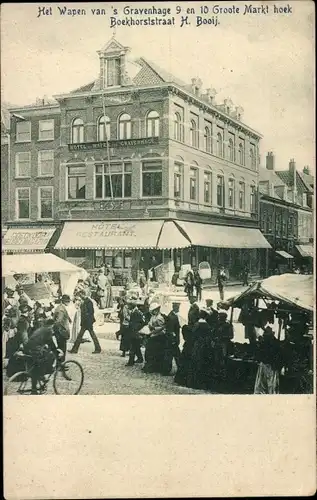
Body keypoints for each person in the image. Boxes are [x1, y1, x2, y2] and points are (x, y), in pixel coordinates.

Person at [24, 319, 63, 395]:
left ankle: (34, 390)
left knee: (35, 369)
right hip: (35, 350)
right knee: (50, 357)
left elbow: (42, 341)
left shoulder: (41, 329)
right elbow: (51, 343)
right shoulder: (48, 330)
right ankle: (43, 376)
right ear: (52, 325)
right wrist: (56, 352)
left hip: (28, 348)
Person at [254, 326, 283, 394]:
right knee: (265, 386)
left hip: (271, 366)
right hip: (265, 365)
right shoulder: (268, 342)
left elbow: (278, 356)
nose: (265, 337)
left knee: (270, 386)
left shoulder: (273, 343)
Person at [143, 302, 167, 374]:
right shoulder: (153, 316)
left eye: (154, 310)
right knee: (149, 352)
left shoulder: (160, 318)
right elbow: (150, 323)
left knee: (154, 353)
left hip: (158, 338)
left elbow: (163, 329)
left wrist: (153, 329)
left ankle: (153, 367)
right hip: (152, 336)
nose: (153, 312)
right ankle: (150, 366)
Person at [163, 302, 182, 374]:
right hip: (172, 340)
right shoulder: (173, 317)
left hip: (171, 339)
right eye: (178, 307)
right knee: (175, 355)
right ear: (175, 307)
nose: (178, 309)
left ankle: (166, 370)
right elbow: (171, 330)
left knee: (171, 355)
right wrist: (174, 340)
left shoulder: (172, 315)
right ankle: (179, 369)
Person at [52, 294, 72, 362]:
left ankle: (60, 363)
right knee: (62, 349)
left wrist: (69, 319)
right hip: (61, 332)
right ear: (65, 301)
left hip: (60, 331)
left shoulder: (60, 307)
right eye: (68, 301)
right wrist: (61, 331)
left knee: (61, 348)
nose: (69, 303)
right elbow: (58, 321)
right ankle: (61, 364)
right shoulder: (61, 309)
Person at [126, 298, 145, 366]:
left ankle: (131, 362)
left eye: (129, 305)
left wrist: (137, 329)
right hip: (134, 332)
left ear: (132, 305)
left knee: (132, 348)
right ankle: (140, 358)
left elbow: (142, 322)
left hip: (135, 333)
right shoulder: (135, 311)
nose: (127, 306)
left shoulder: (136, 312)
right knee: (136, 347)